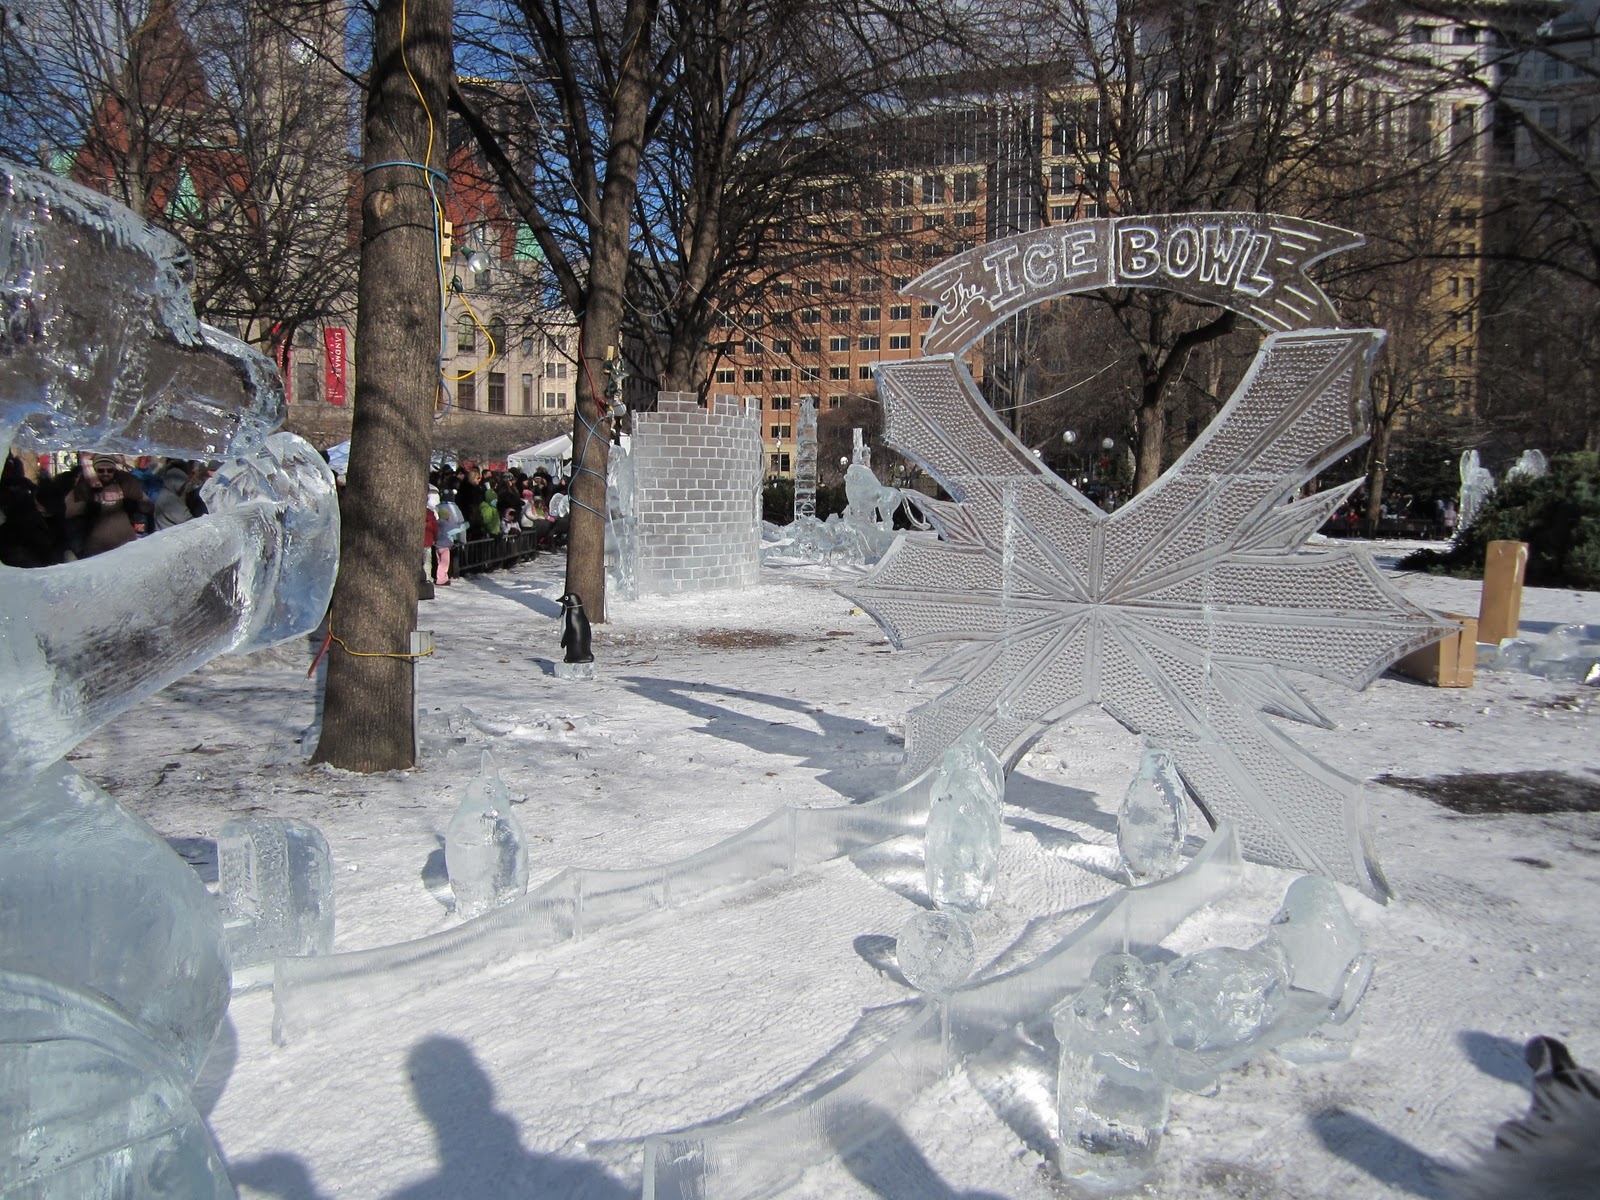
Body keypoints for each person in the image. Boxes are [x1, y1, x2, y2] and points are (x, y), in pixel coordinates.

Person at [74, 455, 151, 558]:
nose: (105, 473)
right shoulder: (87, 485)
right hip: (97, 548)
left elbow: (145, 509)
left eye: (110, 470)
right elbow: (75, 516)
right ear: (95, 471)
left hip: (125, 545)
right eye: (101, 470)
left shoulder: (124, 483)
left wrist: (139, 534)